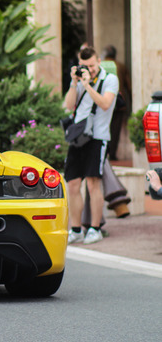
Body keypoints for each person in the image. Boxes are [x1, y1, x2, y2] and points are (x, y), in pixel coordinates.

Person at [64, 46, 118, 245]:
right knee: (73, 183)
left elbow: (105, 104)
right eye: (85, 66)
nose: (89, 69)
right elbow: (69, 106)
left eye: (92, 65)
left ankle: (95, 228)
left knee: (94, 183)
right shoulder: (79, 79)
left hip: (98, 137)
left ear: (99, 62)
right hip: (78, 138)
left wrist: (88, 86)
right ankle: (76, 229)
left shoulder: (109, 79)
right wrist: (74, 83)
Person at [101, 45, 132, 160]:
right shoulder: (121, 66)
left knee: (104, 127)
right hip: (119, 103)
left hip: (103, 101)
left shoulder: (101, 65)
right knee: (115, 130)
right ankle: (112, 154)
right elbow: (129, 86)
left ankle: (104, 153)